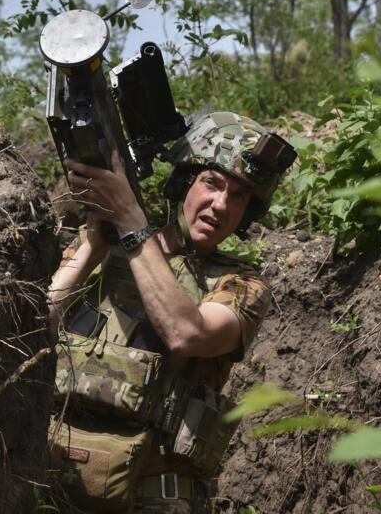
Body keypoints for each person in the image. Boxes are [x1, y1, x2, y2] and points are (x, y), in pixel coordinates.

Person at [48, 112, 296, 513]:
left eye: (239, 197)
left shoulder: (243, 285)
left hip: (154, 496)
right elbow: (34, 327)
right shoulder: (105, 248)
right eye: (212, 184)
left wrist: (131, 222)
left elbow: (186, 333)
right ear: (183, 183)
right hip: (55, 479)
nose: (220, 205)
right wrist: (95, 244)